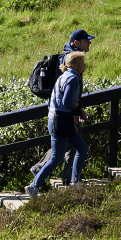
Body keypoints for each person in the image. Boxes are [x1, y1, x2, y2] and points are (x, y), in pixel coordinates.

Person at [30, 29, 95, 185]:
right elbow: (67, 92)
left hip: (62, 111)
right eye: (86, 40)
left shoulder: (71, 58)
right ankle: (69, 180)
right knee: (73, 145)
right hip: (65, 112)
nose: (90, 43)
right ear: (76, 43)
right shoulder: (70, 60)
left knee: (67, 143)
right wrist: (75, 112)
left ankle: (47, 172)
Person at [26, 51, 88, 196]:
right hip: (61, 121)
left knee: (82, 147)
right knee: (57, 158)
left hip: (60, 120)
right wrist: (78, 108)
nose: (84, 66)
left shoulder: (64, 75)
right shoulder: (73, 78)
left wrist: (77, 112)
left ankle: (76, 182)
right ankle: (33, 186)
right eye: (82, 63)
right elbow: (67, 101)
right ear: (74, 65)